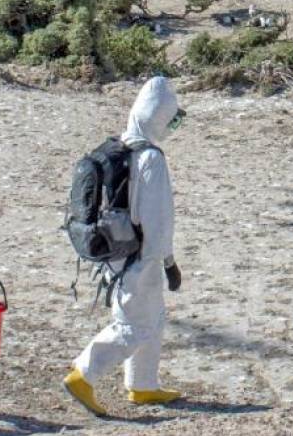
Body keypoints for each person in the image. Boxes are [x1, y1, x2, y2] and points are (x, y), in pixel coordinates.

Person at [64, 75, 187, 416]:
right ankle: (82, 375)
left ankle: (143, 384)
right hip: (141, 256)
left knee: (153, 317)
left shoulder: (118, 147)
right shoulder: (151, 159)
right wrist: (167, 262)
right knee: (134, 325)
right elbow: (158, 221)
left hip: (115, 249)